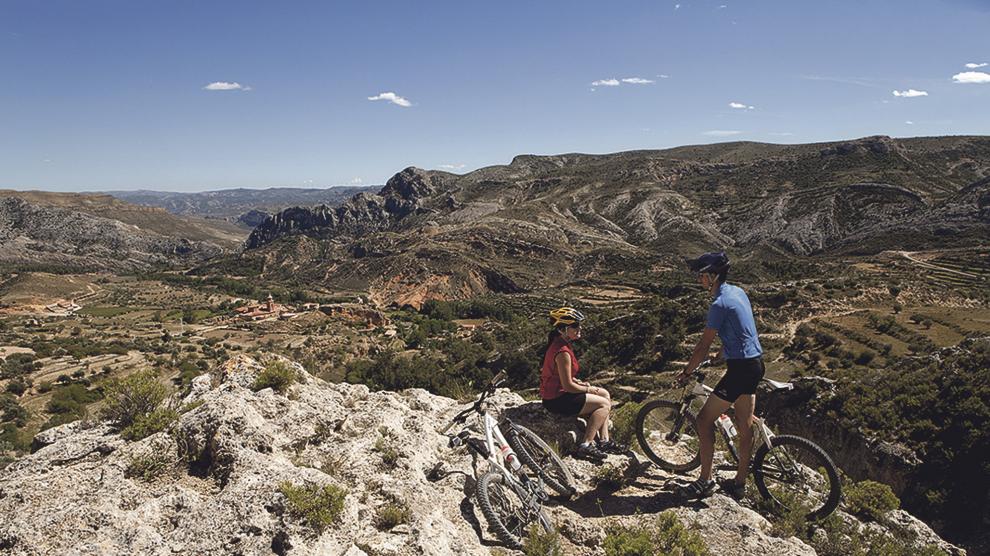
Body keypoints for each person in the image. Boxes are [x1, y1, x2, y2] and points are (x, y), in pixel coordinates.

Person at [676, 252, 764, 499]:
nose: (699, 279)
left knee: (704, 420)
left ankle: (705, 480)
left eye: (702, 275)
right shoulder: (738, 292)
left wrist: (687, 372)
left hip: (740, 370)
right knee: (745, 426)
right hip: (755, 363)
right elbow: (741, 328)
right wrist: (723, 352)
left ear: (713, 277)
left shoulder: (718, 305)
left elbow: (702, 345)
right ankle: (739, 482)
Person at [540, 306, 622, 460]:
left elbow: (562, 376)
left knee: (605, 393)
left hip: (557, 394)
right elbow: (568, 386)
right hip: (556, 400)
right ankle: (586, 445)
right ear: (563, 329)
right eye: (575, 326)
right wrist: (588, 389)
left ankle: (605, 440)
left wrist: (583, 386)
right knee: (603, 404)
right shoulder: (562, 351)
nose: (579, 328)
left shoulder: (560, 343)